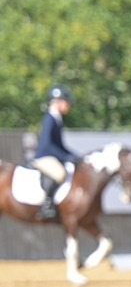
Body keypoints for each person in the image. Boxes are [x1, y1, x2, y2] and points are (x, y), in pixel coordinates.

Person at [31, 85, 82, 219]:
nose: (68, 104)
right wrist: (65, 157)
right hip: (44, 156)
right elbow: (48, 144)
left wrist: (74, 156)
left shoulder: (57, 118)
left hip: (52, 155)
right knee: (60, 173)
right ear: (57, 101)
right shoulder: (49, 118)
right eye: (66, 101)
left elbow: (60, 145)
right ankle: (46, 205)